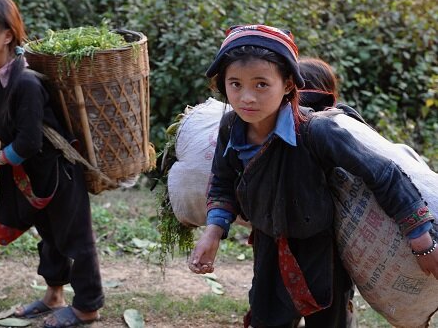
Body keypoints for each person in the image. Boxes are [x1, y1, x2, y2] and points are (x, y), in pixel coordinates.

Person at [188, 24, 438, 327]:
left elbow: (384, 174)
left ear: (289, 84)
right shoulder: (231, 127)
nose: (247, 97)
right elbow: (223, 181)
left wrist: (422, 240)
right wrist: (212, 232)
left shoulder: (317, 132)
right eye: (235, 84)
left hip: (322, 253)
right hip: (269, 249)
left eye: (261, 84)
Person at [0, 0, 103, 327]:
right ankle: (54, 295)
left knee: (75, 238)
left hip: (57, 172)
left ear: (7, 34)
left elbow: (27, 142)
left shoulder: (25, 82)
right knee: (49, 236)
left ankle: (88, 306)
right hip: (31, 176)